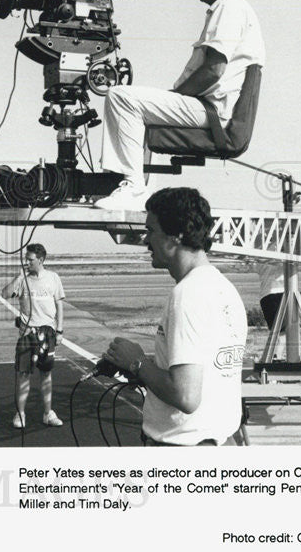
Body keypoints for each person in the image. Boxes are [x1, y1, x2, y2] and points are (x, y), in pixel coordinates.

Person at [94, 0, 265, 211]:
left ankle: (133, 186)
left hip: (211, 111)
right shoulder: (230, 8)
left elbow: (213, 70)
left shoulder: (230, 6)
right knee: (135, 103)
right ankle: (132, 182)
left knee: (121, 97)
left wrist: (175, 97)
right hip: (208, 107)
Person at [104, 188, 247, 446]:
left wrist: (136, 363)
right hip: (217, 442)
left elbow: (186, 396)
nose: (147, 240)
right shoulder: (224, 288)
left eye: (152, 230)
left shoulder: (187, 294)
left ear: (176, 235)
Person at [0, 243, 65, 429]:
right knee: (23, 375)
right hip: (28, 335)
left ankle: (48, 413)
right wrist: (18, 277)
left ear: (41, 260)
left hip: (48, 334)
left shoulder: (53, 278)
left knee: (46, 374)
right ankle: (20, 414)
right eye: (26, 259)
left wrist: (59, 331)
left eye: (30, 260)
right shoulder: (22, 279)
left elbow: (59, 305)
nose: (26, 262)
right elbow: (4, 294)